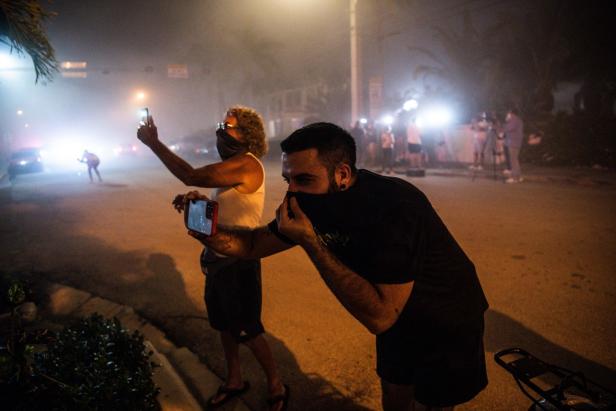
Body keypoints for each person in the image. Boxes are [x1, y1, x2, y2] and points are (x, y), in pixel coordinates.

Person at [180, 122, 489, 411]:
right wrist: (208, 232)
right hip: (394, 312)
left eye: (304, 180)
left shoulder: (393, 207)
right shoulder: (310, 202)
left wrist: (310, 241)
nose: (292, 192)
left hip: (445, 316)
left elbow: (380, 318)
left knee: (431, 403)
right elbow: (250, 246)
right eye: (289, 180)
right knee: (395, 395)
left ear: (341, 174)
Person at [137, 106, 288, 411]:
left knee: (248, 328)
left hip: (239, 261)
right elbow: (232, 208)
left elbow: (189, 174)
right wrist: (200, 201)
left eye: (228, 126)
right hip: (218, 258)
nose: (220, 131)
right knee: (223, 325)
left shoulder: (247, 164)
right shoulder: (233, 165)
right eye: (220, 124)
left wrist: (154, 143)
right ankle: (234, 380)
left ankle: (276, 384)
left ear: (247, 134)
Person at [503, 108, 524, 183]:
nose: (508, 114)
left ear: (512, 113)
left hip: (513, 142)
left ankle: (514, 178)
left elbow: (508, 128)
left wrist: (506, 123)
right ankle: (518, 177)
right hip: (516, 142)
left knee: (513, 160)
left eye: (509, 113)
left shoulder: (513, 119)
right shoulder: (518, 120)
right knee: (515, 160)